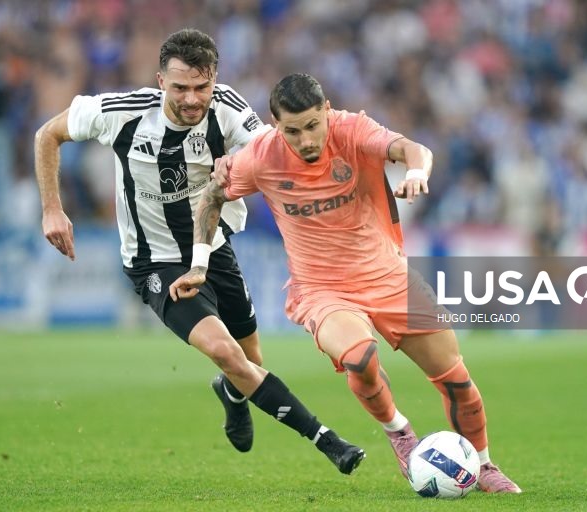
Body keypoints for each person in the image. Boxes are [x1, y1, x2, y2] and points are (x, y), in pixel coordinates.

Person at [170, 73, 522, 493]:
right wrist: (199, 264)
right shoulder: (260, 157)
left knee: (457, 381)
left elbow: (415, 149)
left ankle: (483, 466)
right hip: (322, 290)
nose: (305, 140)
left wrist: (415, 171)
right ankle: (401, 435)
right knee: (359, 357)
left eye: (313, 126)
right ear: (275, 124)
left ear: (327, 111)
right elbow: (211, 197)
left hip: (388, 276)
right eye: (292, 131)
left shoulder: (354, 131)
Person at [33, 31, 364, 475]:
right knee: (228, 354)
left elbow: (271, 152)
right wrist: (53, 209)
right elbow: (46, 135)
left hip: (214, 248)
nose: (192, 99)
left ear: (214, 81)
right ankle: (328, 441)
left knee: (250, 364)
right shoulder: (120, 112)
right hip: (156, 263)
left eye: (201, 87)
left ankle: (230, 394)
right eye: (180, 88)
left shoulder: (228, 107)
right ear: (160, 81)